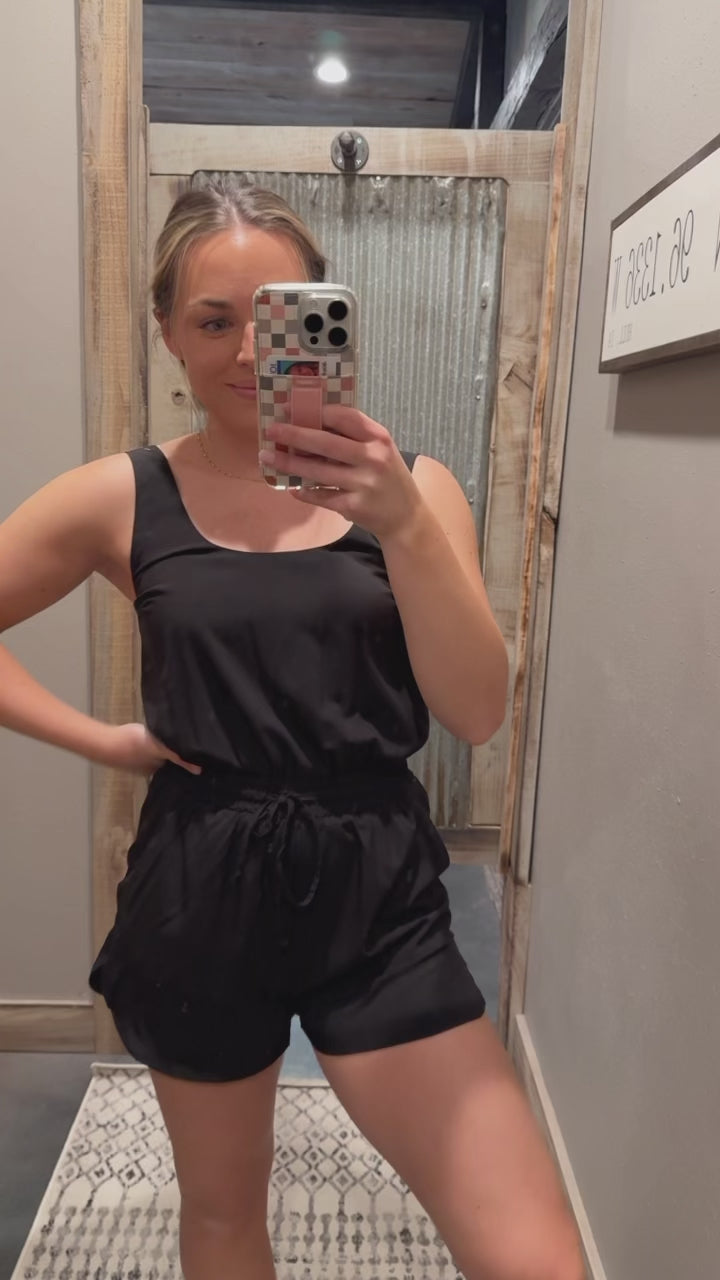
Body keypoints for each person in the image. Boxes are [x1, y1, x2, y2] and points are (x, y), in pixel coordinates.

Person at [0, 176, 585, 1280]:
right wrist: (103, 739)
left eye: (275, 316)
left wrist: (401, 522)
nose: (243, 351)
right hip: (201, 879)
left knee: (536, 1256)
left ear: (323, 315)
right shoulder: (124, 495)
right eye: (211, 320)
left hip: (377, 884)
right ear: (167, 332)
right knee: (225, 1216)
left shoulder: (416, 488)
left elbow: (475, 709)